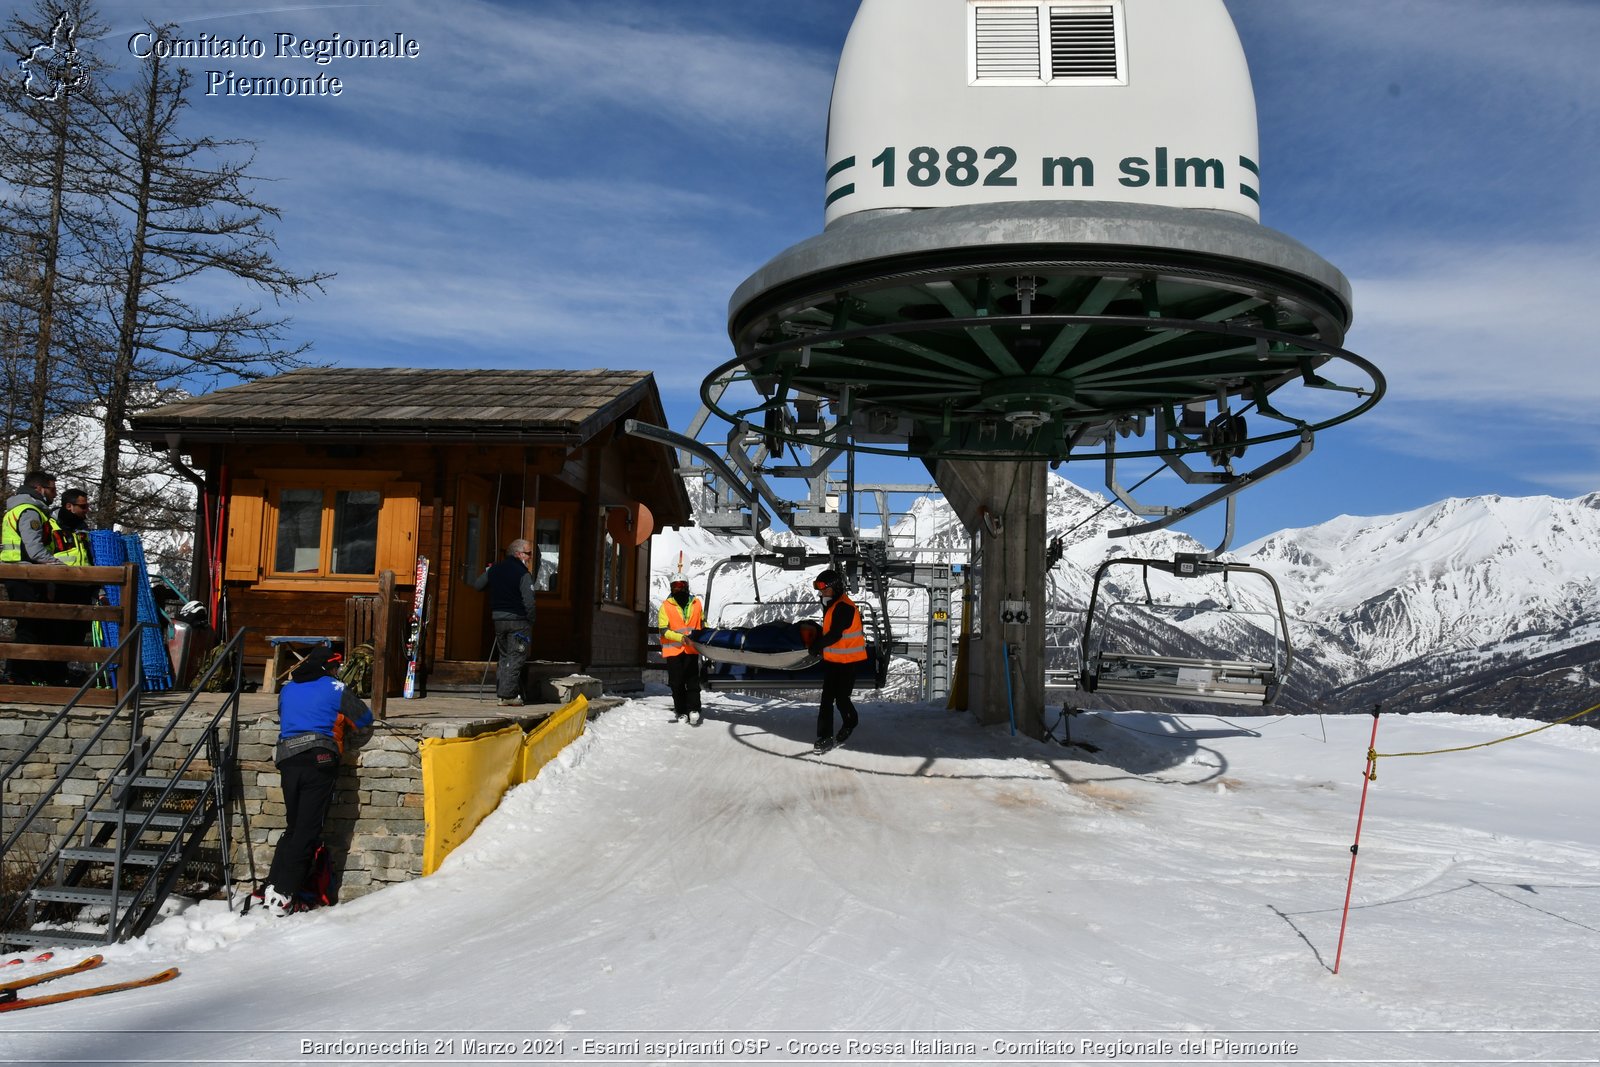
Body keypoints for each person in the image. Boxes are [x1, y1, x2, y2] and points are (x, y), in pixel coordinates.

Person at [262, 646, 372, 917]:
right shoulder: (335, 687)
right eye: (336, 667)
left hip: (288, 758)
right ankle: (285, 893)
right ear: (331, 668)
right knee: (309, 829)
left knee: (294, 825)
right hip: (319, 757)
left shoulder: (287, 688)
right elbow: (365, 719)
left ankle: (273, 885)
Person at [1, 470, 65, 685]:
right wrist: (60, 567)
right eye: (52, 489)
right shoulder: (29, 511)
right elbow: (35, 550)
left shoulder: (25, 510)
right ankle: (18, 676)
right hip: (23, 574)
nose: (55, 494)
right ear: (39, 488)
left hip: (24, 573)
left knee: (32, 625)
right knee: (29, 626)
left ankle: (26, 674)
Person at [468, 539, 538, 706]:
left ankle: (502, 693)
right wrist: (531, 620)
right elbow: (529, 601)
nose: (530, 557)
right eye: (528, 554)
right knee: (516, 657)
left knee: (505, 656)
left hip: (498, 620)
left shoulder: (495, 569)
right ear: (518, 554)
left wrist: (489, 571)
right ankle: (508, 696)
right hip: (518, 621)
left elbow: (478, 586)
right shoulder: (523, 574)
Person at [810, 569, 867, 753]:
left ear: (834, 588)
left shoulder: (844, 607)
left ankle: (851, 721)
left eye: (824, 589)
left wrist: (817, 646)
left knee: (841, 699)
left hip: (848, 662)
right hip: (834, 660)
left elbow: (835, 634)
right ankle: (824, 737)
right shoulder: (832, 603)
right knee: (827, 700)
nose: (821, 592)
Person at [658, 578, 703, 724]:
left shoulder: (696, 604)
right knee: (676, 682)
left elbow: (702, 623)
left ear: (686, 586)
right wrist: (680, 638)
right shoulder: (666, 606)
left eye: (680, 586)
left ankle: (694, 708)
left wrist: (705, 638)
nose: (677, 589)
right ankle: (681, 710)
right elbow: (663, 630)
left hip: (691, 648)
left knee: (692, 680)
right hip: (674, 650)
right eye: (674, 586)